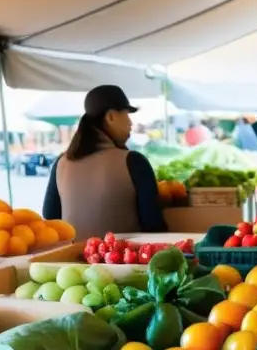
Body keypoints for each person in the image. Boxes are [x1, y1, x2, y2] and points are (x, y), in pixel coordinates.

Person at [43, 85, 166, 239]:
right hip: (124, 261)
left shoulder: (61, 164)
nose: (130, 123)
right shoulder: (133, 162)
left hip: (71, 260)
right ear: (111, 116)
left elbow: (50, 218)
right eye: (127, 115)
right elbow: (154, 226)